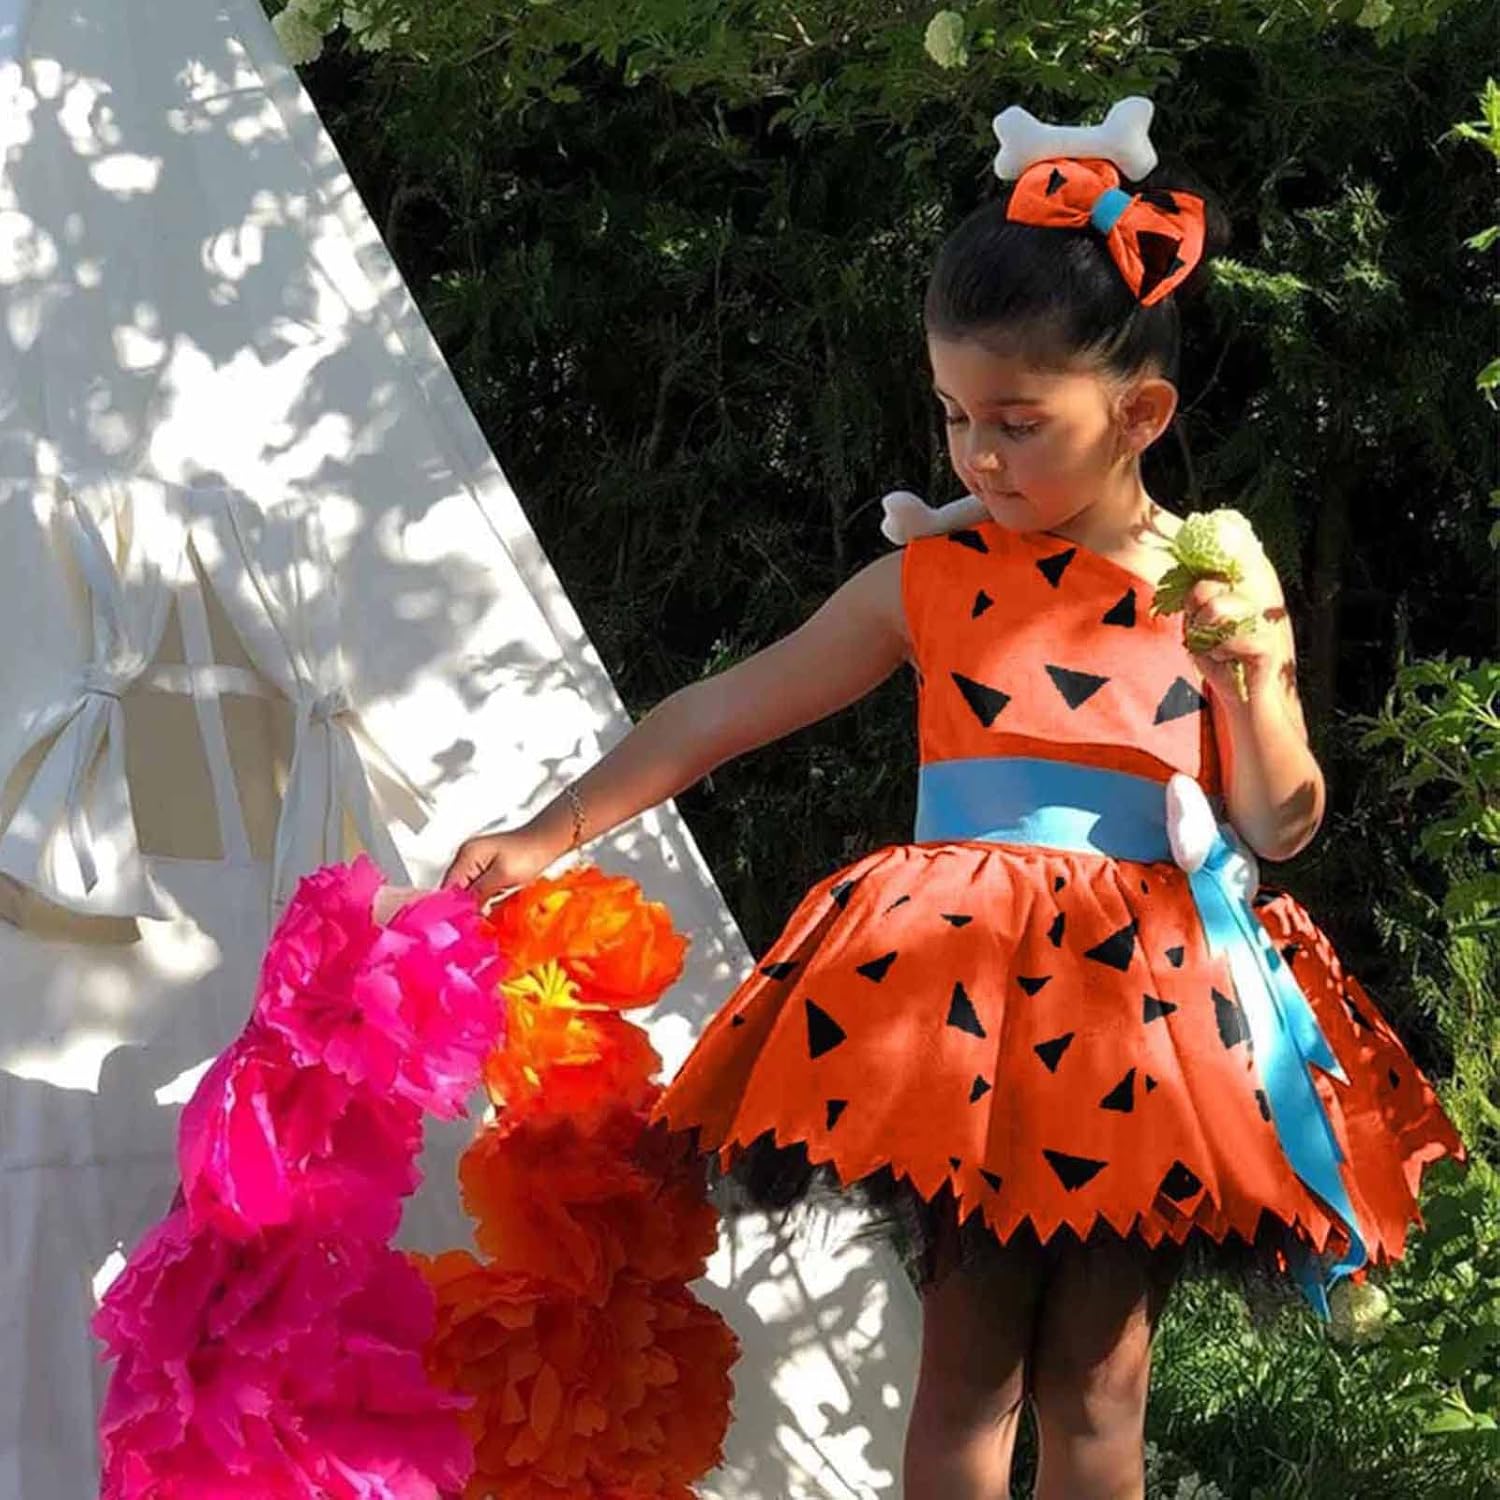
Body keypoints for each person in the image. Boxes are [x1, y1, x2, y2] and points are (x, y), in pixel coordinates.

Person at [444, 102, 1464, 1500]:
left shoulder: (1215, 585)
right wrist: (547, 831)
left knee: (1100, 1388)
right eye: (956, 416)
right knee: (968, 1376)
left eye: (1018, 423)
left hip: (1142, 1022)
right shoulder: (930, 578)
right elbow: (723, 711)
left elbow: (1283, 824)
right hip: (967, 1019)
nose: (978, 455)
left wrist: (1251, 681)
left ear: (1141, 415)